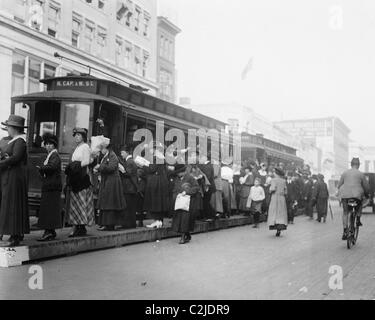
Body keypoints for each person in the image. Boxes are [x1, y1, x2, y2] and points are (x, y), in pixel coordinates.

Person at [0, 115, 29, 247]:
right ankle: (14, 234)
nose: (7, 129)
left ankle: (15, 236)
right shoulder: (15, 141)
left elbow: (16, 158)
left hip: (14, 177)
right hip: (10, 175)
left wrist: (2, 162)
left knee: (12, 204)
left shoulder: (20, 142)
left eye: (9, 127)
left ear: (14, 128)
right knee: (9, 204)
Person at [64, 128, 95, 237]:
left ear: (83, 137)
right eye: (75, 135)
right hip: (76, 177)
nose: (76, 137)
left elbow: (86, 161)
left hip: (82, 177)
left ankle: (80, 227)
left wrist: (74, 166)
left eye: (79, 135)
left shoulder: (85, 147)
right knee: (75, 203)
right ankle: (78, 227)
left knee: (80, 203)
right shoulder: (77, 147)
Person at [94, 137, 127, 231]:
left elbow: (111, 168)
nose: (101, 151)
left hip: (112, 183)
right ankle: (106, 223)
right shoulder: (107, 156)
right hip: (107, 182)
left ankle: (109, 224)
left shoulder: (112, 156)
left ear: (106, 148)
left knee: (109, 203)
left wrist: (99, 167)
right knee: (106, 203)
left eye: (102, 149)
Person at [37, 134, 62, 241]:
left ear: (54, 145)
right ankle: (50, 231)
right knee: (49, 209)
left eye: (50, 144)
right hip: (51, 186)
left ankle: (49, 232)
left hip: (52, 186)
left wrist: (42, 168)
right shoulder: (51, 155)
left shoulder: (54, 155)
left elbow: (52, 167)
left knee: (49, 209)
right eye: (46, 144)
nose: (48, 146)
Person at [337, 158, 369, 240]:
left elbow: (339, 185)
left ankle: (345, 231)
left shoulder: (345, 173)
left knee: (345, 212)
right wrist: (366, 194)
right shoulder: (361, 174)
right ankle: (358, 219)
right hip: (357, 196)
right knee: (360, 204)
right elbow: (366, 187)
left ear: (351, 164)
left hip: (345, 196)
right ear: (358, 165)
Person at [171, 165, 200, 244]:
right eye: (177, 173)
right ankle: (187, 234)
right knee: (180, 219)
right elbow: (174, 189)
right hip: (179, 202)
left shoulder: (190, 178)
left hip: (188, 203)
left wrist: (187, 192)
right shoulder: (176, 179)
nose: (178, 174)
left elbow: (197, 188)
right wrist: (176, 196)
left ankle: (183, 237)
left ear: (183, 172)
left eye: (180, 173)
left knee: (185, 219)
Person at [144, 143, 169, 228]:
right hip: (160, 182)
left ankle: (157, 221)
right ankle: (159, 221)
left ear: (155, 149)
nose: (150, 150)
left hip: (156, 183)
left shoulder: (157, 157)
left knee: (155, 201)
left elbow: (151, 169)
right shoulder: (161, 157)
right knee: (159, 202)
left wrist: (143, 165)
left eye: (152, 148)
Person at [119, 145, 138, 229]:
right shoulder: (131, 161)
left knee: (128, 207)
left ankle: (128, 224)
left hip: (129, 188)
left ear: (127, 153)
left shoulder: (129, 161)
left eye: (122, 153)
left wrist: (121, 169)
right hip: (131, 188)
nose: (121, 154)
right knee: (131, 207)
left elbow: (128, 173)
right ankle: (131, 223)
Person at [267, 167, 288, 237]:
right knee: (281, 213)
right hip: (282, 198)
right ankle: (279, 228)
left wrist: (269, 190)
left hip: (275, 197)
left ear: (276, 173)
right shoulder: (284, 181)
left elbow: (272, 189)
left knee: (274, 212)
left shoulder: (273, 180)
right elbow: (286, 192)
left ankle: (275, 225)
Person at [198, 153, 216, 221]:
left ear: (205, 158)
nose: (200, 159)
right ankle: (211, 215)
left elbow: (207, 177)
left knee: (206, 201)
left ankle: (211, 216)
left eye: (201, 158)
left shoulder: (207, 166)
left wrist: (200, 177)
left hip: (208, 186)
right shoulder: (207, 165)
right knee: (206, 201)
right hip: (207, 186)